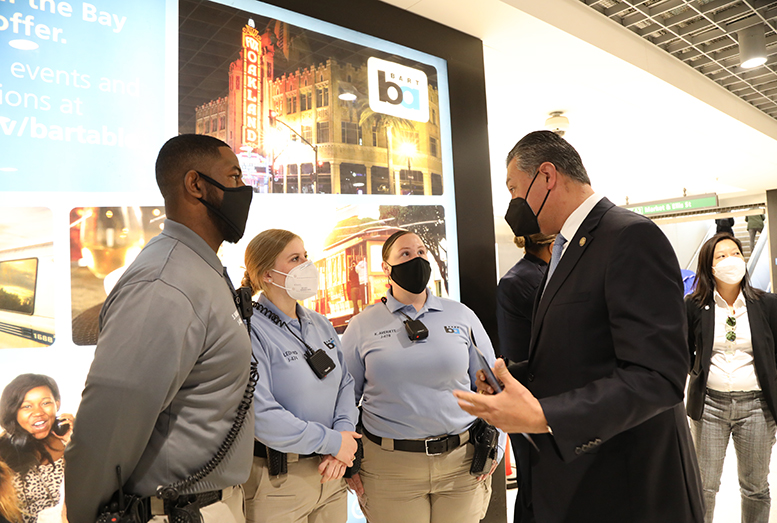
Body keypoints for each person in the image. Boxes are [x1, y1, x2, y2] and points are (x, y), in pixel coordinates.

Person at [454, 130, 704, 522]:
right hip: (581, 482)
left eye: (515, 189)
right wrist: (513, 380)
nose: (513, 204)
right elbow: (582, 352)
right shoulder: (568, 249)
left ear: (547, 176)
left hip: (628, 489)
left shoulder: (628, 236)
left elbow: (659, 375)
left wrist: (545, 415)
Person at [64, 134, 255, 523]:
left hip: (205, 505)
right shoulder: (165, 284)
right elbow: (109, 423)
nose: (243, 189)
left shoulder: (199, 268)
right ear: (196, 184)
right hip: (174, 511)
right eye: (233, 176)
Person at [341, 230, 505, 523]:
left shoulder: (461, 316)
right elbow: (344, 398)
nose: (416, 259)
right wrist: (349, 460)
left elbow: (494, 385)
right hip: (390, 468)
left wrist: (498, 444)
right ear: (386, 269)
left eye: (421, 252)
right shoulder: (362, 325)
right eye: (405, 254)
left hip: (462, 463)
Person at [240, 229, 360, 523]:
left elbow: (344, 382)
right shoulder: (249, 329)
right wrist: (332, 442)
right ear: (268, 274)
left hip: (332, 473)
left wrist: (343, 438)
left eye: (306, 256)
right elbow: (263, 415)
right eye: (295, 258)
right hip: (279, 481)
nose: (307, 265)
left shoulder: (319, 323)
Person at [685, 233, 777, 523]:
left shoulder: (767, 303)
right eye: (722, 256)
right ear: (709, 266)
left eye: (736, 254)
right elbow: (685, 348)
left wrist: (762, 378)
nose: (731, 260)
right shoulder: (694, 305)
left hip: (757, 407)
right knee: (704, 487)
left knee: (755, 489)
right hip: (710, 407)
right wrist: (700, 373)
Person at [495, 232, 553, 523]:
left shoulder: (527, 276)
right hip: (535, 401)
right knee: (537, 490)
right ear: (554, 245)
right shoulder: (529, 281)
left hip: (534, 400)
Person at [0, 374, 73, 523]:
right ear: (14, 411)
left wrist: (76, 443)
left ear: (57, 404)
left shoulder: (72, 441)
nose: (38, 412)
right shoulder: (2, 452)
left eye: (46, 403)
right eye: (27, 406)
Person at [496, 233, 555, 364]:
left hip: (517, 368)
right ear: (553, 248)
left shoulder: (517, 275)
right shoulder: (540, 282)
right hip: (535, 373)